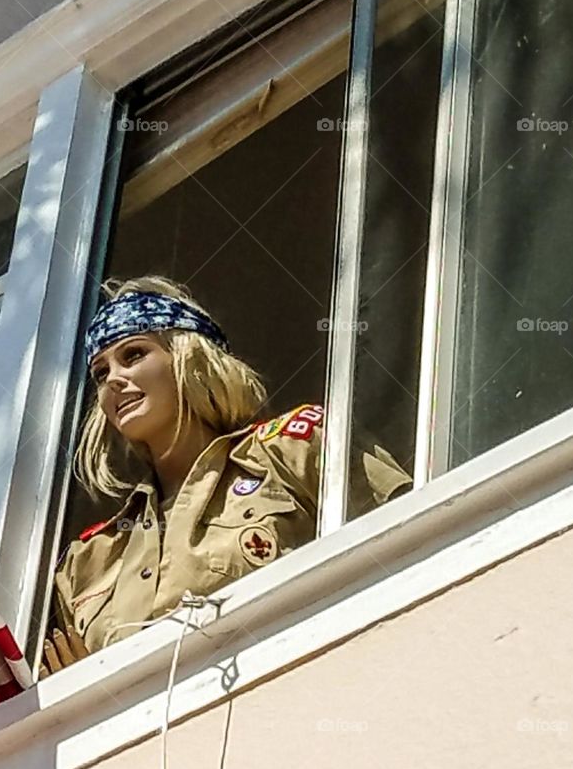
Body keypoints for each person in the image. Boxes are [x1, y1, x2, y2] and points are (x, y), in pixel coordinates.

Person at [39, 275, 412, 676]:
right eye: (100, 372)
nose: (112, 380)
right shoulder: (87, 560)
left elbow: (409, 545)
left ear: (189, 357)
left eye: (133, 355)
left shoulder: (294, 447)